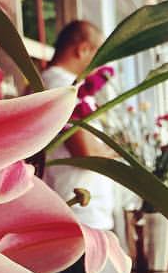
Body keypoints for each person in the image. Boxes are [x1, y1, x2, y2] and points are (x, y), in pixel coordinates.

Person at [41, 20, 117, 231]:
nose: (101, 65)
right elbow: (86, 153)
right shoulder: (62, 87)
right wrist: (113, 151)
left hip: (82, 212)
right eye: (100, 56)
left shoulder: (61, 85)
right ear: (83, 49)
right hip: (79, 215)